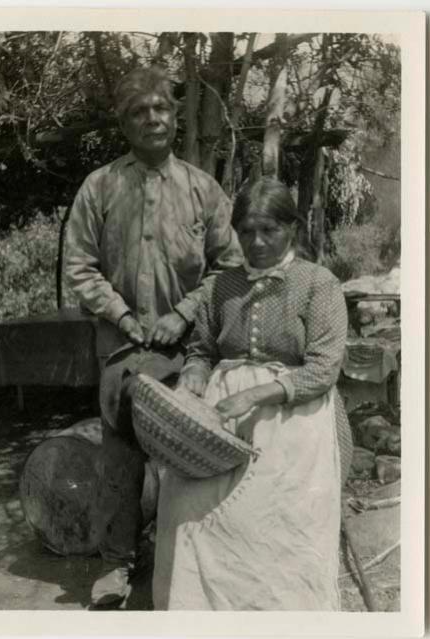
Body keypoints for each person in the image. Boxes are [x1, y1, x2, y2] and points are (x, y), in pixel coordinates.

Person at [65, 65, 243, 608]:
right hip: (122, 346)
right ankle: (117, 567)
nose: (152, 119)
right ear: (125, 123)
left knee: (191, 445)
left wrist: (185, 312)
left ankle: (189, 562)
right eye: (139, 112)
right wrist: (122, 315)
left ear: (173, 115)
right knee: (121, 447)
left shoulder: (201, 188)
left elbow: (229, 265)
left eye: (161, 109)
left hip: (188, 346)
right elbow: (80, 266)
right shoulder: (100, 187)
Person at [153, 177, 351, 610]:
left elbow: (323, 369)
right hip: (218, 423)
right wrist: (191, 384)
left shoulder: (319, 284)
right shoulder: (221, 285)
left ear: (292, 230)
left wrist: (253, 395)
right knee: (194, 515)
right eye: (246, 232)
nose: (257, 242)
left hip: (292, 420)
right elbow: (202, 350)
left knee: (274, 527)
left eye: (269, 230)